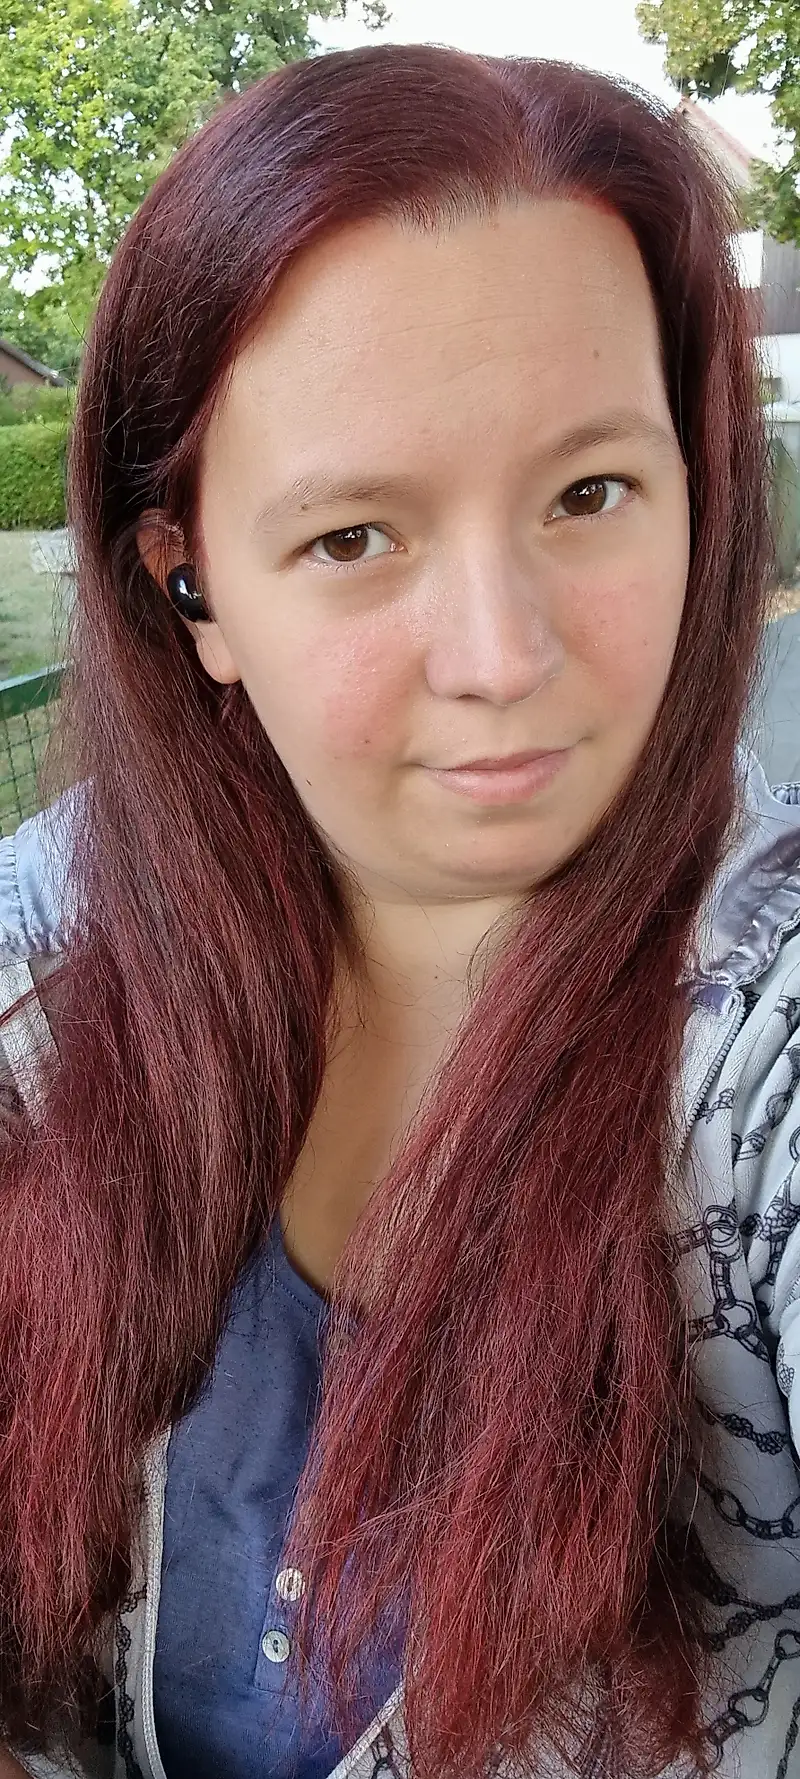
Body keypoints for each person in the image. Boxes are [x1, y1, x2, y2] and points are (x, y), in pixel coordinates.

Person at [0, 37, 798, 1779]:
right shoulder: (43, 962)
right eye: (356, 537)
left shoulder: (766, 1035)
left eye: (589, 493)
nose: (504, 657)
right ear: (194, 587)